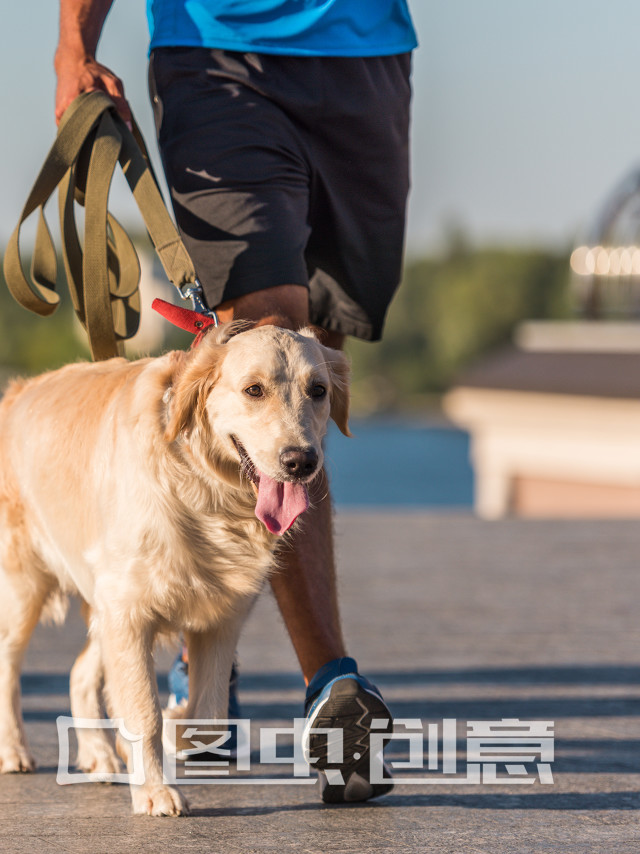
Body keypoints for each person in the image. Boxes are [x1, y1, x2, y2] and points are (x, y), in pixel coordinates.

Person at [53, 0, 416, 803]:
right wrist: (75, 42)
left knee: (318, 354)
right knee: (270, 342)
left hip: (367, 53)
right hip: (218, 56)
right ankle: (332, 684)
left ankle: (207, 622)